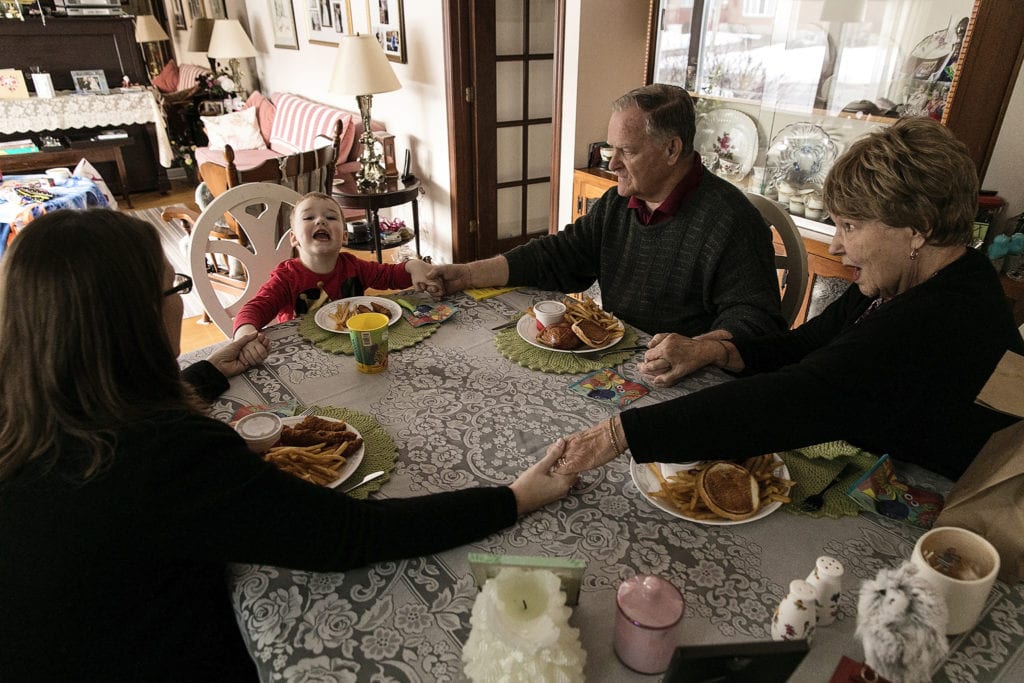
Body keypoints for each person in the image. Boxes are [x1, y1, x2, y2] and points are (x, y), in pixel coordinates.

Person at [0, 209, 576, 680]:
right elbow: (347, 535)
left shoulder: (22, 420)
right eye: (172, 287)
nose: (179, 301)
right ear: (132, 322)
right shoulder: (168, 453)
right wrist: (513, 497)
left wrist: (202, 375)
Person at [553, 117, 1024, 482]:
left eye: (851, 227)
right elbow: (804, 345)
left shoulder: (942, 314)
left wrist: (623, 433)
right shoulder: (905, 284)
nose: (837, 246)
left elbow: (796, 397)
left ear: (916, 229)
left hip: (943, 504)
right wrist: (714, 348)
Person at [420, 84, 783, 342]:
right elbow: (557, 257)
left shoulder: (732, 221)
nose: (613, 163)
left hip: (685, 382)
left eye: (627, 151)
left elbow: (757, 321)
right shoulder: (617, 204)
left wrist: (698, 349)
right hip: (620, 361)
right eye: (611, 149)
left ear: (672, 149)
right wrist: (467, 274)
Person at [232, 191, 435, 365]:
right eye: (308, 217)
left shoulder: (354, 266)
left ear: (345, 237)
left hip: (354, 351)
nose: (320, 220)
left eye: (330, 218)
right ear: (293, 238)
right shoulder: (286, 278)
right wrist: (245, 336)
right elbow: (253, 309)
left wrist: (413, 266)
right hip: (304, 356)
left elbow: (389, 276)